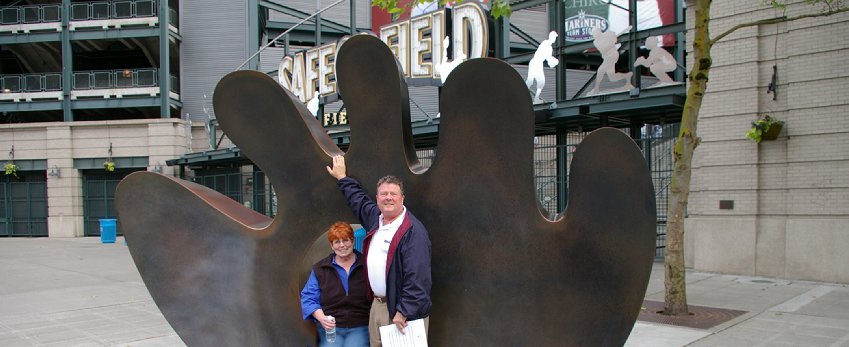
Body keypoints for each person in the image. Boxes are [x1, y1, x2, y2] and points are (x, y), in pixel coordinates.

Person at [326, 155, 432, 347]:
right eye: (384, 194)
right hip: (378, 306)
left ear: (402, 198)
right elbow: (358, 201)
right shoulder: (376, 218)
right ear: (377, 198)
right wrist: (342, 178)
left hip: (401, 312)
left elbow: (419, 277)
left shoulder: (413, 231)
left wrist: (403, 311)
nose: (388, 198)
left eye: (393, 194)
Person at [300, 222, 371, 347]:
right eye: (337, 242)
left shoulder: (366, 266)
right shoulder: (320, 269)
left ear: (352, 241)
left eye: (345, 240)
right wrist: (321, 318)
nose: (342, 245)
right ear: (331, 245)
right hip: (331, 327)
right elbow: (308, 297)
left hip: (359, 325)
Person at [525, 31, 559, 104]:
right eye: (554, 37)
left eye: (555, 38)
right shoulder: (546, 43)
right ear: (551, 37)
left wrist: (553, 61)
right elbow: (548, 57)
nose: (554, 39)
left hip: (537, 63)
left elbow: (549, 61)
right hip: (536, 62)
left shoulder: (549, 47)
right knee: (532, 81)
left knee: (539, 82)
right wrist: (554, 61)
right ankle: (523, 95)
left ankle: (535, 98)